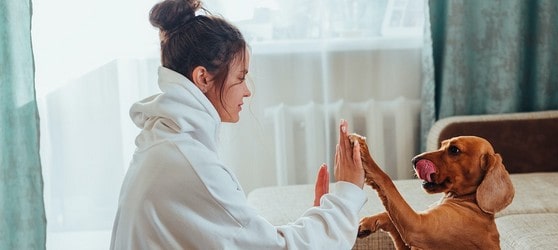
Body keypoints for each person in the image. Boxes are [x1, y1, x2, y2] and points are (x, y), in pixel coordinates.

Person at [109, 0, 367, 249]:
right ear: (203, 77)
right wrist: (347, 193)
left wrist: (322, 216)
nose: (247, 91)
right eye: (241, 77)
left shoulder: (167, 142)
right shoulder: (188, 162)